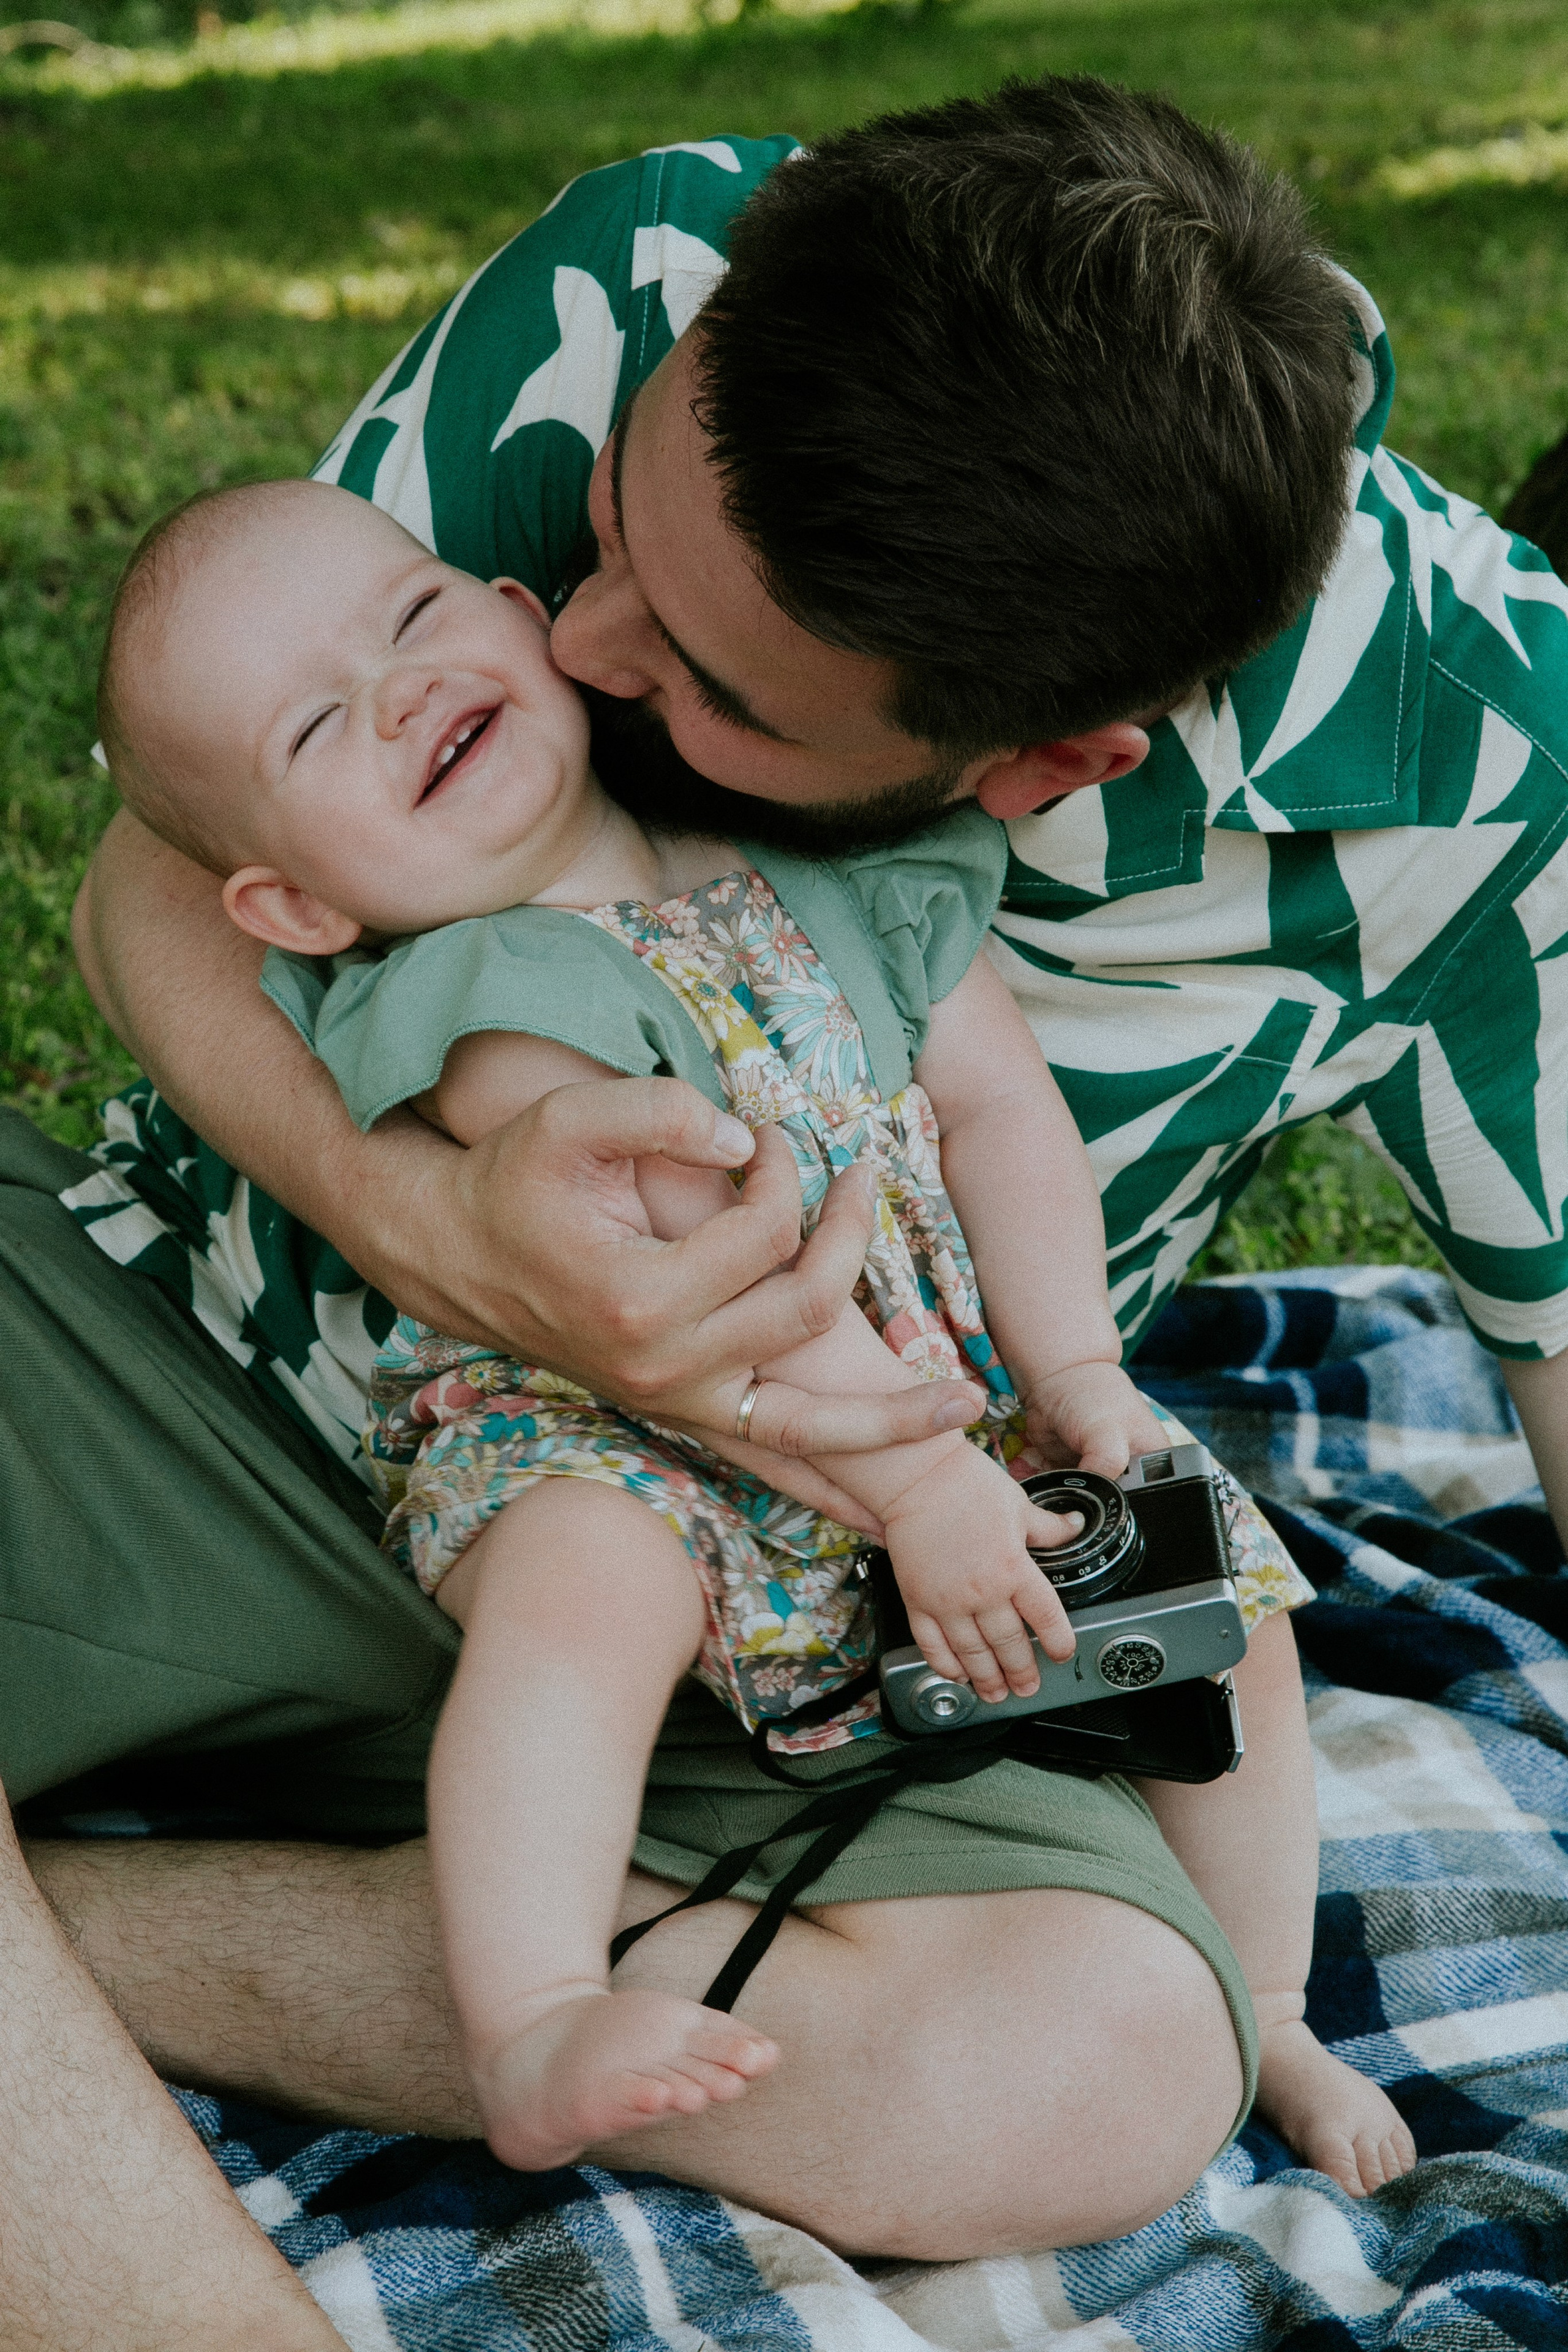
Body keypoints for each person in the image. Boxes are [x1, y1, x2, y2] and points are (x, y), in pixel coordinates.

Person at [7, 70, 1566, 2340]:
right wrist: (429, 1222)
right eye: (601, 542)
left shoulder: (1494, 784)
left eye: (707, 683)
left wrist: (1052, 1433)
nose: (581, 643)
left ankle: (97, 1940)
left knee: (1102, 2067)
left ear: (1040, 773)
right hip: (224, 1389)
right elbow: (162, 868)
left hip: (802, 1635)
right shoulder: (644, 285)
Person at [95, 471, 1402, 2182]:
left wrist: (1076, 1371)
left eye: (410, 622)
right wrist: (928, 1492)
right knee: (584, 1597)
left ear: (514, 615)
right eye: (320, 725)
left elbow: (1002, 1111)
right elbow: (720, 1286)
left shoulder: (833, 876)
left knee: (1217, 1582)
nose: (400, 690)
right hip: (624, 1427)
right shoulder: (482, 1002)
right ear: (295, 911)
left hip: (923, 1409)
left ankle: (1279, 2002)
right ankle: (538, 2008)